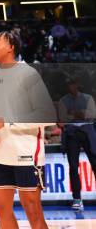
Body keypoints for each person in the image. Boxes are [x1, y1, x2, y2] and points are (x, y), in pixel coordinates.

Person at [0, 32, 56, 229]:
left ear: (11, 46)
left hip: (26, 153)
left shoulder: (28, 73)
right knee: (1, 209)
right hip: (0, 154)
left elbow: (47, 114)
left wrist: (6, 123)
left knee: (32, 210)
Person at [58, 75, 96, 211]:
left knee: (95, 164)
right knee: (73, 168)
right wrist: (81, 114)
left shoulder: (88, 98)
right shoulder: (63, 100)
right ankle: (77, 199)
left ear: (78, 84)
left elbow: (92, 114)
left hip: (87, 132)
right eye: (69, 84)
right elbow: (63, 118)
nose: (71, 86)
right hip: (71, 133)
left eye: (73, 84)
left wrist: (73, 113)